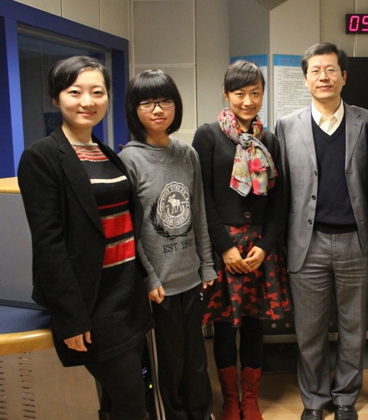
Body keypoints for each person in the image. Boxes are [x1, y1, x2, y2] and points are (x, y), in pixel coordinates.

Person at [17, 56, 153, 420]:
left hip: (127, 294)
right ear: (56, 98)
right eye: (75, 92)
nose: (87, 101)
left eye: (97, 92)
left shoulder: (106, 152)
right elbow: (49, 245)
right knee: (132, 401)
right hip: (93, 303)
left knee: (121, 396)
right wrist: (71, 317)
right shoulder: (41, 158)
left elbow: (127, 223)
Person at [276, 42, 368, 420]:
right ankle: (315, 401)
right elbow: (282, 190)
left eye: (331, 69)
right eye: (316, 71)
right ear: (305, 79)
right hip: (307, 244)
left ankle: (346, 399)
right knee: (310, 331)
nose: (324, 77)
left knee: (354, 328)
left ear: (344, 77)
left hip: (357, 242)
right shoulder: (287, 126)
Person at [193, 60, 289, 420]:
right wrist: (225, 248)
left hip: (260, 247)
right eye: (239, 93)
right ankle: (230, 400)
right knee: (223, 327)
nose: (248, 101)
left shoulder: (270, 139)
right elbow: (202, 198)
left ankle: (251, 399)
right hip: (225, 247)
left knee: (253, 326)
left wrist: (265, 246)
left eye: (255, 93)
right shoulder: (208, 135)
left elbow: (280, 200)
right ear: (226, 94)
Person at [119, 69, 217, 420]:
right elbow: (129, 230)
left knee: (196, 359)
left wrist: (207, 264)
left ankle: (201, 413)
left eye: (165, 101)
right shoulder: (128, 160)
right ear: (134, 109)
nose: (158, 109)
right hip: (158, 287)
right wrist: (148, 277)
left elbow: (199, 212)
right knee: (168, 363)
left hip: (190, 277)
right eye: (147, 103)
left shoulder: (187, 154)